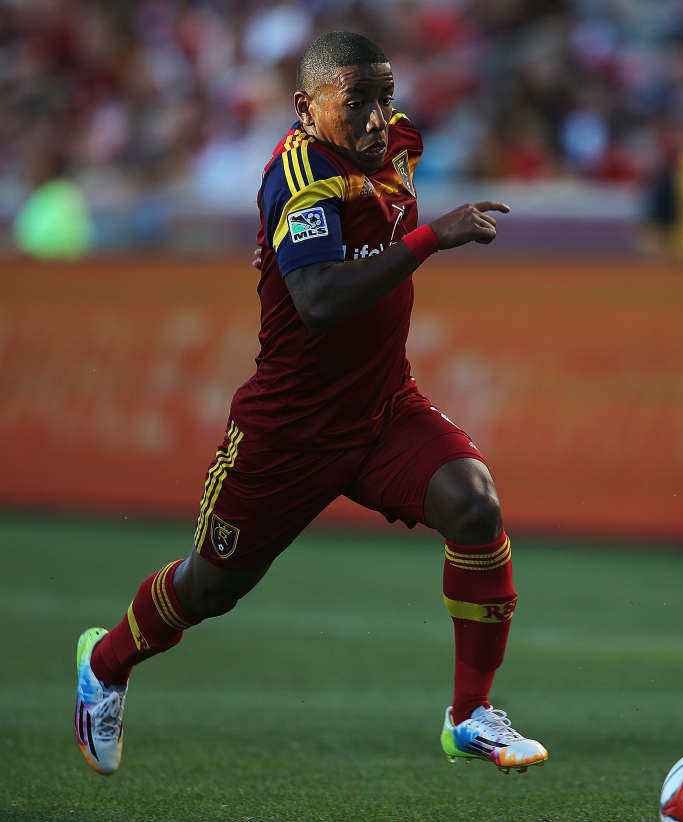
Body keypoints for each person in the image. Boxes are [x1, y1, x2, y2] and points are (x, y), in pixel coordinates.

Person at [74, 31, 548, 777]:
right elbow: (321, 302)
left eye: (386, 97)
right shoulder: (297, 175)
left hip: (383, 405)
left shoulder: (399, 142)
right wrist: (431, 239)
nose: (377, 117)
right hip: (289, 428)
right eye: (355, 101)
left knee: (474, 505)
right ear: (305, 107)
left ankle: (470, 716)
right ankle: (103, 665)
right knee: (211, 586)